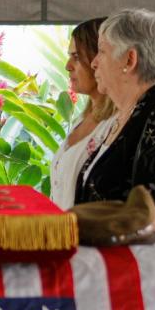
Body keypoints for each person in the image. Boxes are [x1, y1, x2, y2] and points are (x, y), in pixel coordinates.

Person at [76, 9, 155, 234]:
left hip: (143, 265)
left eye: (102, 51)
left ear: (130, 59)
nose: (94, 63)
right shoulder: (125, 115)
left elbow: (148, 218)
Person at [50, 18, 117, 209]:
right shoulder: (82, 118)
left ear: (99, 58)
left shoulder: (118, 124)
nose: (68, 65)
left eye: (77, 56)